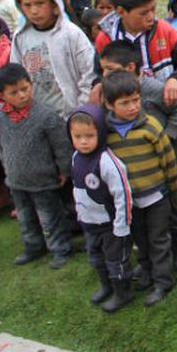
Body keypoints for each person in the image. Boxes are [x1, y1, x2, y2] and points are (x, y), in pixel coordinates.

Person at [98, 41, 177, 265]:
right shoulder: (111, 90)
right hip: (150, 147)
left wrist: (166, 136)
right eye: (103, 69)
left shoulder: (153, 88)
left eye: (110, 69)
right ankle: (171, 242)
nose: (104, 74)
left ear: (130, 68)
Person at [102, 70, 177, 306]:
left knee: (158, 239)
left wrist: (172, 190)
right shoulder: (106, 133)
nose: (133, 107)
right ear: (109, 104)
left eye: (136, 100)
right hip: (129, 200)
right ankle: (146, 272)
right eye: (125, 103)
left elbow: (168, 158)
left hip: (156, 196)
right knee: (140, 239)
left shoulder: (150, 125)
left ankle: (163, 280)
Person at [65, 104, 133, 311]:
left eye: (89, 135)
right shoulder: (76, 158)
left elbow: (123, 194)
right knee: (95, 256)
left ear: (101, 133)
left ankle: (123, 292)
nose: (83, 142)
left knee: (115, 260)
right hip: (89, 222)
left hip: (110, 225)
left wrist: (121, 224)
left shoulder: (107, 162)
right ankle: (106, 286)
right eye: (77, 137)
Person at [11, 0, 95, 118]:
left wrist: (80, 111)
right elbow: (16, 74)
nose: (34, 11)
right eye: (28, 5)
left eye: (40, 3)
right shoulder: (20, 37)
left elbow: (89, 74)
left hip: (70, 115)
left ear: (54, 4)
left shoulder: (71, 34)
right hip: (37, 116)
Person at [94, 0, 177, 102]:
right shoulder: (105, 39)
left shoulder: (165, 30)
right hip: (125, 110)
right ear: (121, 12)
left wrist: (176, 79)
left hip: (165, 104)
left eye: (153, 9)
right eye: (143, 13)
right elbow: (98, 74)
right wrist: (98, 86)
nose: (151, 17)